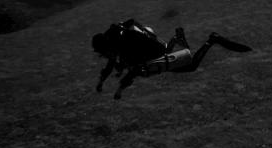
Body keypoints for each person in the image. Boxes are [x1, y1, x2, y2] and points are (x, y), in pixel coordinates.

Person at [92, 18, 252, 99]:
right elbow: (112, 64)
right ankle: (178, 38)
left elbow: (129, 69)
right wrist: (102, 83)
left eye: (103, 52)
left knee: (190, 66)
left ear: (106, 47)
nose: (105, 56)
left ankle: (212, 39)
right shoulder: (116, 38)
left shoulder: (122, 45)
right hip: (153, 47)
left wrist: (118, 90)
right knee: (175, 58)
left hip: (155, 53)